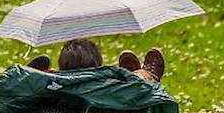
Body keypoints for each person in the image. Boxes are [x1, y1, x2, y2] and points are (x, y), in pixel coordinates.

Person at [32, 38, 167, 81]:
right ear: (98, 65)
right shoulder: (108, 89)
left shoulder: (51, 92)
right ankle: (144, 77)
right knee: (134, 85)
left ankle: (133, 76)